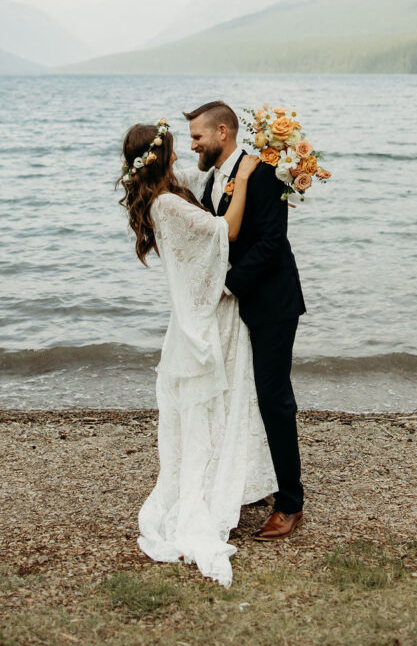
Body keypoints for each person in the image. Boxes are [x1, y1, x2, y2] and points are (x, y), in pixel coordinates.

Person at [118, 119, 277, 588]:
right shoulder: (167, 204)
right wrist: (246, 178)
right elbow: (225, 230)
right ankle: (208, 496)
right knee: (213, 406)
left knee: (218, 404)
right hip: (206, 318)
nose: (183, 153)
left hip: (200, 317)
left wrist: (264, 156)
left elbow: (207, 175)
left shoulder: (168, 189)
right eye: (174, 147)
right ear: (160, 154)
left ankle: (228, 484)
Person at [183, 100, 305, 541]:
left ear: (222, 132)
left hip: (272, 303)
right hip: (240, 307)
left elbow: (272, 242)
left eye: (197, 136)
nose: (193, 144)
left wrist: (227, 285)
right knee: (242, 395)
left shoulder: (265, 173)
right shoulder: (215, 178)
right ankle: (255, 481)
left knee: (274, 398)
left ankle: (291, 503)